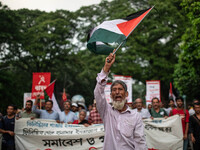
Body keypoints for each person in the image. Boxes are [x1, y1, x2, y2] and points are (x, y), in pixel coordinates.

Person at [94, 52, 147, 149]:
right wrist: (106, 68)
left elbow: (140, 141)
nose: (117, 92)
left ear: (126, 94)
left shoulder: (135, 116)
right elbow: (98, 92)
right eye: (114, 90)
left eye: (120, 89)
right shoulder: (106, 111)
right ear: (110, 95)